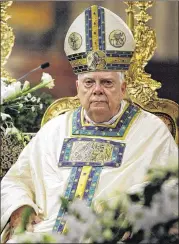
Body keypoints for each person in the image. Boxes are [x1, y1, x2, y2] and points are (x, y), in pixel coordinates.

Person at [1, 5, 177, 243]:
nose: (97, 91)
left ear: (123, 88)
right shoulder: (55, 130)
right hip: (45, 232)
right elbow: (16, 180)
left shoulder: (151, 132)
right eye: (89, 83)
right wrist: (19, 206)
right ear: (77, 88)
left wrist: (131, 212)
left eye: (106, 82)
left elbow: (170, 189)